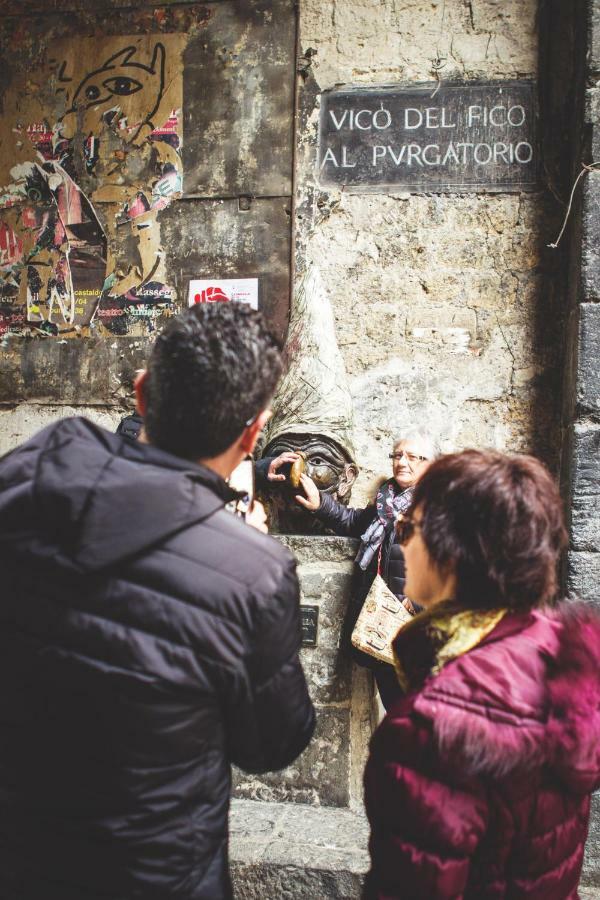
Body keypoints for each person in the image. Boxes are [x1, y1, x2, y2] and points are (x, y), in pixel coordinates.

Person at [0, 302, 315, 900]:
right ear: (253, 433)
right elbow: (272, 744)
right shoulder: (253, 573)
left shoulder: (26, 476)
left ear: (142, 393)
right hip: (151, 873)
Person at [363, 450, 600, 900]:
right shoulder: (557, 660)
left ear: (449, 554)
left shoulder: (432, 730)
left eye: (408, 528)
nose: (401, 540)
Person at [295, 428, 436, 708]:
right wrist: (320, 504)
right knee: (395, 706)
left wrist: (418, 604)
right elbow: (353, 522)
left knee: (417, 712)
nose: (401, 462)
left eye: (412, 457)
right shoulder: (387, 502)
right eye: (397, 455)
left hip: (414, 628)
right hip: (381, 626)